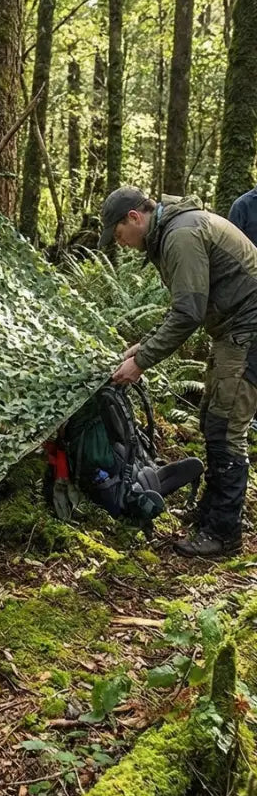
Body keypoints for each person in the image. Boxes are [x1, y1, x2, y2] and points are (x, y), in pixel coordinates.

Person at [99, 185, 257, 557]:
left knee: (226, 429)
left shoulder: (181, 235)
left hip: (248, 331)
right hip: (235, 330)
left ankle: (223, 533)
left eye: (119, 235)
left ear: (134, 218)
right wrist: (145, 344)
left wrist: (140, 362)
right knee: (213, 420)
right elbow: (187, 306)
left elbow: (188, 312)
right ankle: (211, 515)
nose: (120, 244)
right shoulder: (176, 230)